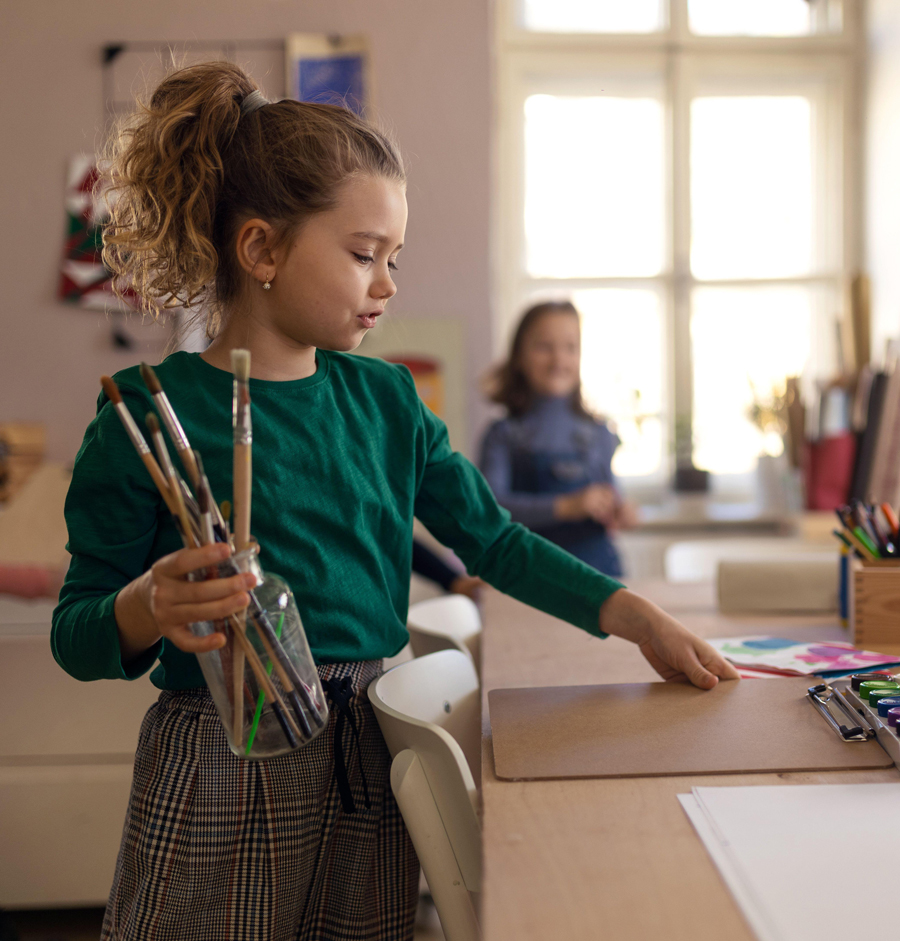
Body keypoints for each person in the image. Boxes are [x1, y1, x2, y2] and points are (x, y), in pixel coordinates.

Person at [51, 62, 738, 941]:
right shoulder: (146, 415)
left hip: (369, 761)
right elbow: (79, 632)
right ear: (260, 249)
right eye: (363, 254)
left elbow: (493, 540)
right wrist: (145, 603)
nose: (388, 283)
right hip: (221, 765)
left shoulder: (389, 401)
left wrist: (634, 615)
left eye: (395, 258)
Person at [480, 301, 638, 578]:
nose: (558, 360)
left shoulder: (600, 433)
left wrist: (621, 511)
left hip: (600, 576)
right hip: (528, 579)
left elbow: (611, 497)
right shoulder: (502, 435)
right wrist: (566, 507)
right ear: (519, 356)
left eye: (570, 348)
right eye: (544, 347)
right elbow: (490, 508)